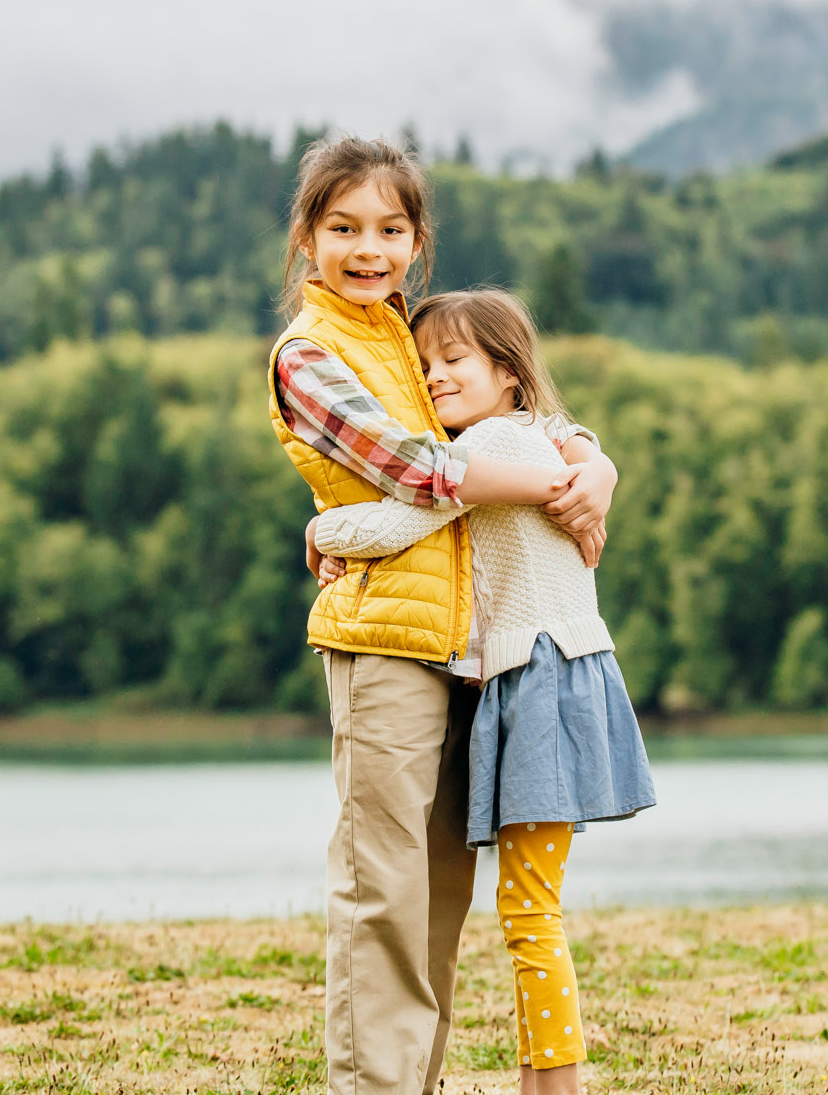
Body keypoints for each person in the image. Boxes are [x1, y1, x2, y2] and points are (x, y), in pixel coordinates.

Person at [266, 135, 619, 1095]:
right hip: (385, 641)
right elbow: (422, 471)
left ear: (417, 241)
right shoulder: (311, 353)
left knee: (437, 902)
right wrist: (559, 477)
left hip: (473, 656)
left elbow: (518, 413)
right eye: (343, 227)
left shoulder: (408, 339)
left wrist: (595, 465)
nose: (366, 247)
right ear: (307, 239)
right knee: (382, 892)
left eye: (389, 228)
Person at [307, 287, 656, 1095]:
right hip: (541, 683)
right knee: (531, 903)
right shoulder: (536, 441)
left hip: (541, 684)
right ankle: (546, 1081)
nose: (433, 377)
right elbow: (575, 442)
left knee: (531, 910)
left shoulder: (495, 449)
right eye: (423, 364)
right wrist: (596, 461)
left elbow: (399, 521)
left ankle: (558, 1085)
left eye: (454, 360)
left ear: (509, 371)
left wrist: (322, 530)